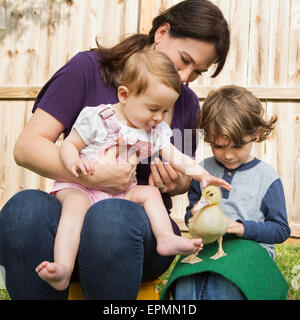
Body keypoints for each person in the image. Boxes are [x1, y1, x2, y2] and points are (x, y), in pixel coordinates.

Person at [0, 0, 230, 299]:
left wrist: (177, 182)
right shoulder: (88, 70)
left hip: (133, 236)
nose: (186, 78)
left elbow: (183, 172)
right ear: (162, 32)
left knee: (111, 217)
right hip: (75, 216)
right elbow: (28, 147)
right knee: (24, 210)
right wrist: (93, 177)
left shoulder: (185, 101)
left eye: (197, 72)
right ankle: (58, 270)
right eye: (184, 60)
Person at [35, 50, 233, 291]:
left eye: (165, 111)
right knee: (75, 206)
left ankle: (165, 238)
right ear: (124, 94)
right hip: (80, 186)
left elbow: (175, 156)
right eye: (153, 109)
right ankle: (63, 268)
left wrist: (201, 174)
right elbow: (69, 144)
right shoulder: (98, 117)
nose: (158, 118)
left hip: (119, 193)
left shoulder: (154, 130)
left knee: (149, 194)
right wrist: (74, 162)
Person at [172, 85, 291, 300]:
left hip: (249, 248)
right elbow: (191, 213)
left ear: (255, 135)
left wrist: (241, 227)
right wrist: (196, 216)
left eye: (236, 146)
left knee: (223, 284)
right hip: (208, 245)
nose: (227, 155)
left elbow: (280, 230)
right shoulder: (203, 171)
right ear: (208, 137)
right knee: (185, 283)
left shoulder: (267, 177)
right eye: (218, 146)